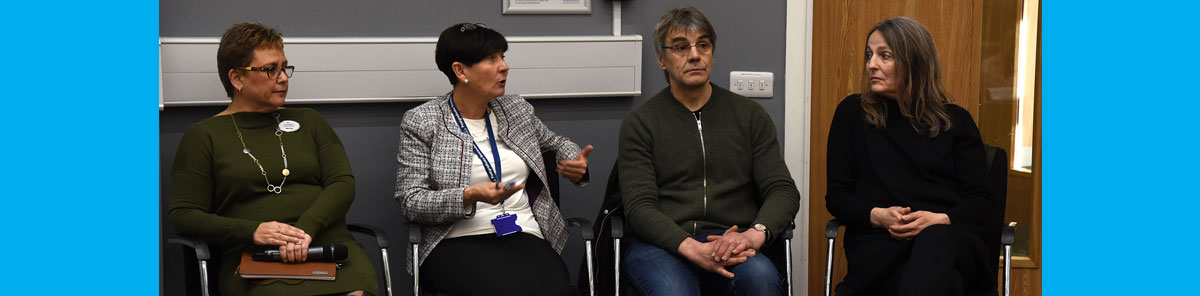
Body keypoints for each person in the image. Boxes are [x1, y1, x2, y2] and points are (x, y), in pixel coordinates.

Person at [168, 23, 378, 295]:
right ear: (237, 78)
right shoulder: (203, 136)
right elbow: (185, 215)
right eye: (270, 69)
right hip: (256, 257)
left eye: (284, 67)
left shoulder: (310, 121)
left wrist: (304, 231)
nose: (283, 78)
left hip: (326, 246)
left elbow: (342, 183)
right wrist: (253, 231)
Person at [394, 23, 593, 296]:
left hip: (524, 233)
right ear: (460, 70)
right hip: (456, 240)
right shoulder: (424, 121)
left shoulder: (516, 109)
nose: (504, 66)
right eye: (491, 59)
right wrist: (469, 195)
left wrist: (574, 162)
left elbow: (557, 143)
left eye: (503, 56)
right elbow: (411, 201)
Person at [617, 6, 800, 296]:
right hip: (661, 245)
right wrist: (691, 247)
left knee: (762, 280)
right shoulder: (641, 124)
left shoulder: (749, 116)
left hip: (732, 240)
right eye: (680, 47)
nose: (694, 55)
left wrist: (755, 235)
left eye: (703, 45)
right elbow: (640, 208)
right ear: (662, 60)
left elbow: (782, 189)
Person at [825, 17, 997, 296]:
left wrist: (940, 220)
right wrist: (878, 216)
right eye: (869, 55)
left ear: (913, 61)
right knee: (948, 285)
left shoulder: (956, 121)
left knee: (936, 241)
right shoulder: (852, 114)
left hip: (952, 240)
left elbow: (981, 201)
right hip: (882, 247)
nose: (871, 65)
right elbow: (837, 196)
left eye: (885, 56)